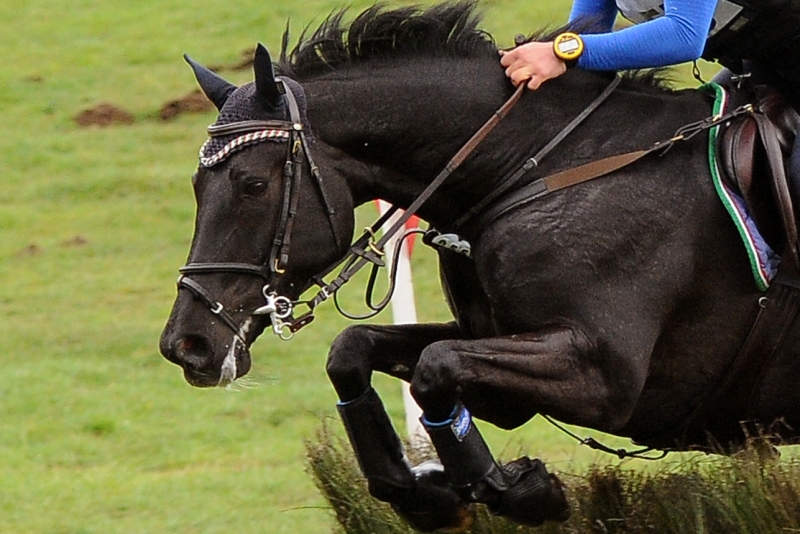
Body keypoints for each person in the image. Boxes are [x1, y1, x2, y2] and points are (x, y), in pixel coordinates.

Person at [500, 0, 800, 194]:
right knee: (703, 155)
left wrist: (564, 53)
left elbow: (684, 35)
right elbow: (587, 29)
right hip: (764, 61)